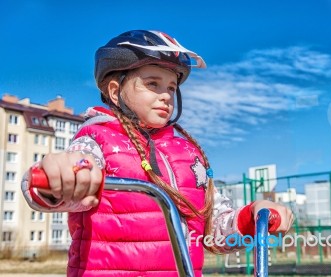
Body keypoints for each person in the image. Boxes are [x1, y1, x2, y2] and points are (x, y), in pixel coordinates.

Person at [22, 30, 294, 276]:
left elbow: (213, 231)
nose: (166, 95)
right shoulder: (98, 140)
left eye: (172, 88)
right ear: (115, 92)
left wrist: (252, 217)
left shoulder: (188, 153)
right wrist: (58, 176)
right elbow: (73, 181)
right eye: (153, 84)